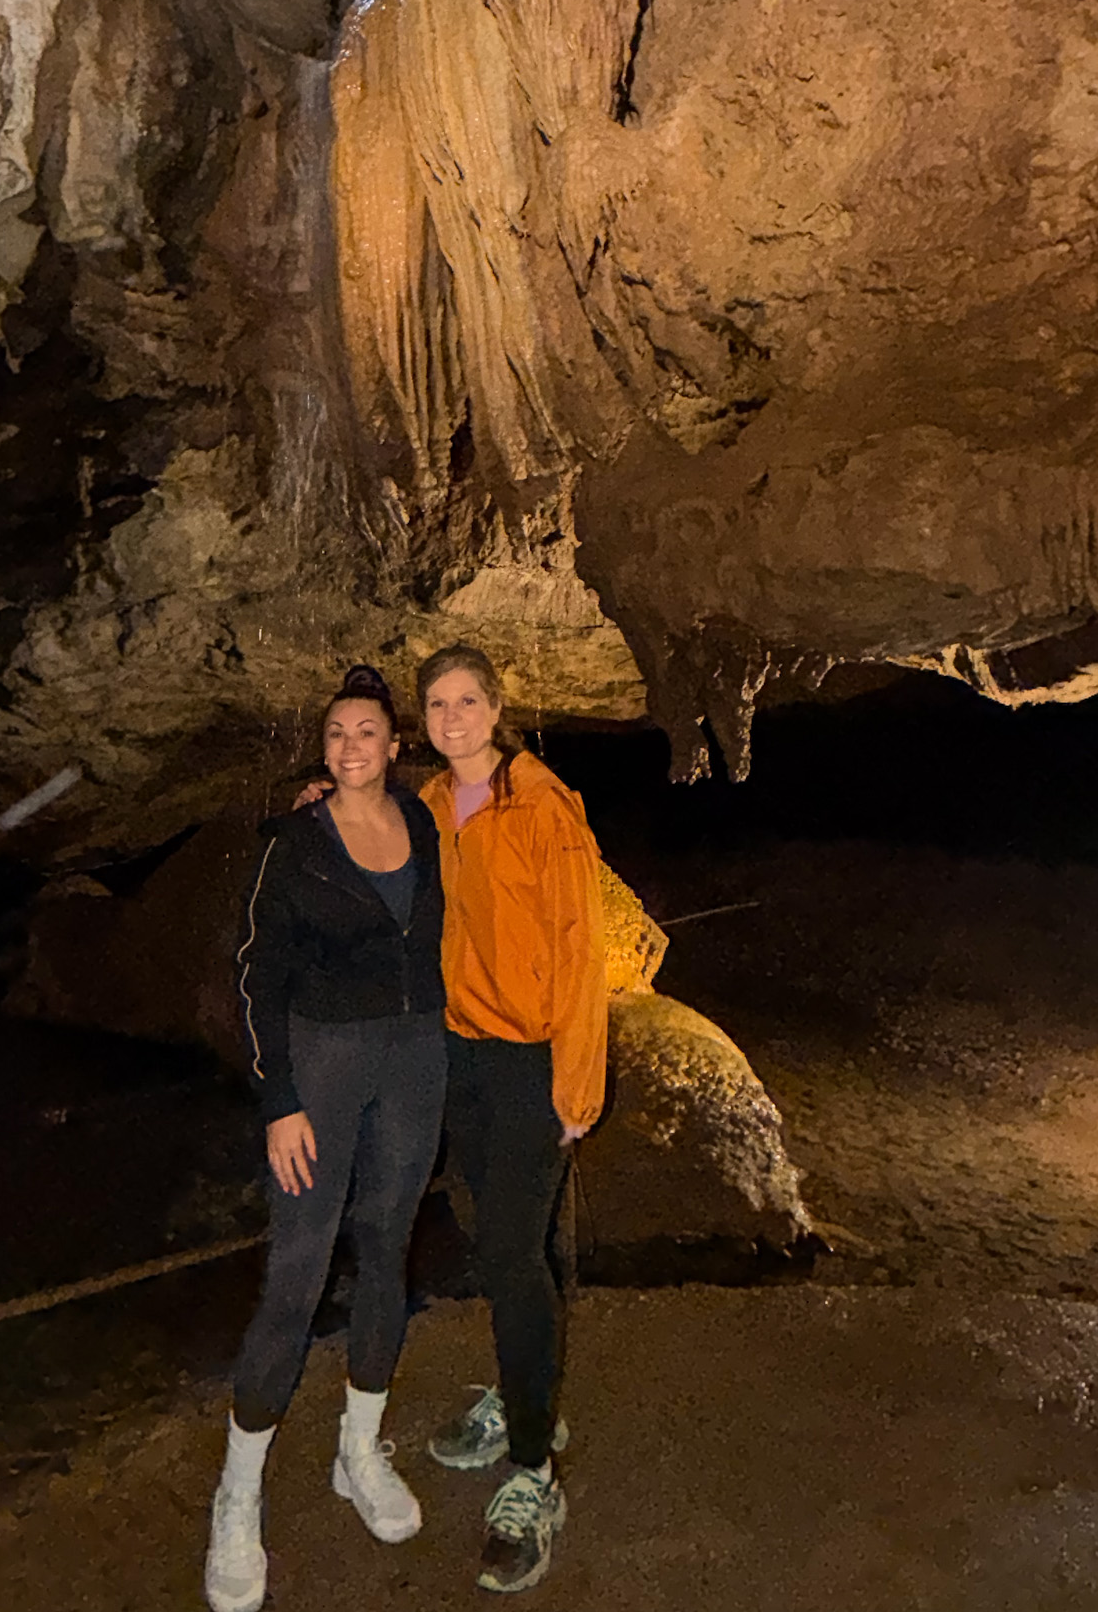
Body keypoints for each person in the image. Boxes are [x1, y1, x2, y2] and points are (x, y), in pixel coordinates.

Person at [205, 666, 448, 1612]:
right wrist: (280, 1100)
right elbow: (255, 973)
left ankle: (358, 1450)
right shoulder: (294, 842)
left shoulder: (423, 823)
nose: (350, 746)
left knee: (387, 1248)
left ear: (394, 747)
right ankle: (238, 1493)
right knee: (296, 1276)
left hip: (416, 1053)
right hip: (327, 1063)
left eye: (368, 733)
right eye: (337, 733)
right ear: (326, 748)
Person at [417, 642, 607, 1596]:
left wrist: (577, 1087)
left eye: (466, 702)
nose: (452, 718)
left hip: (532, 1062)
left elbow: (582, 951)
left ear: (495, 710)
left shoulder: (542, 810)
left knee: (511, 1254)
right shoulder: (432, 808)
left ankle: (534, 1467)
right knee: (495, 1237)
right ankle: (521, 1389)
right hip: (466, 1055)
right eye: (437, 705)